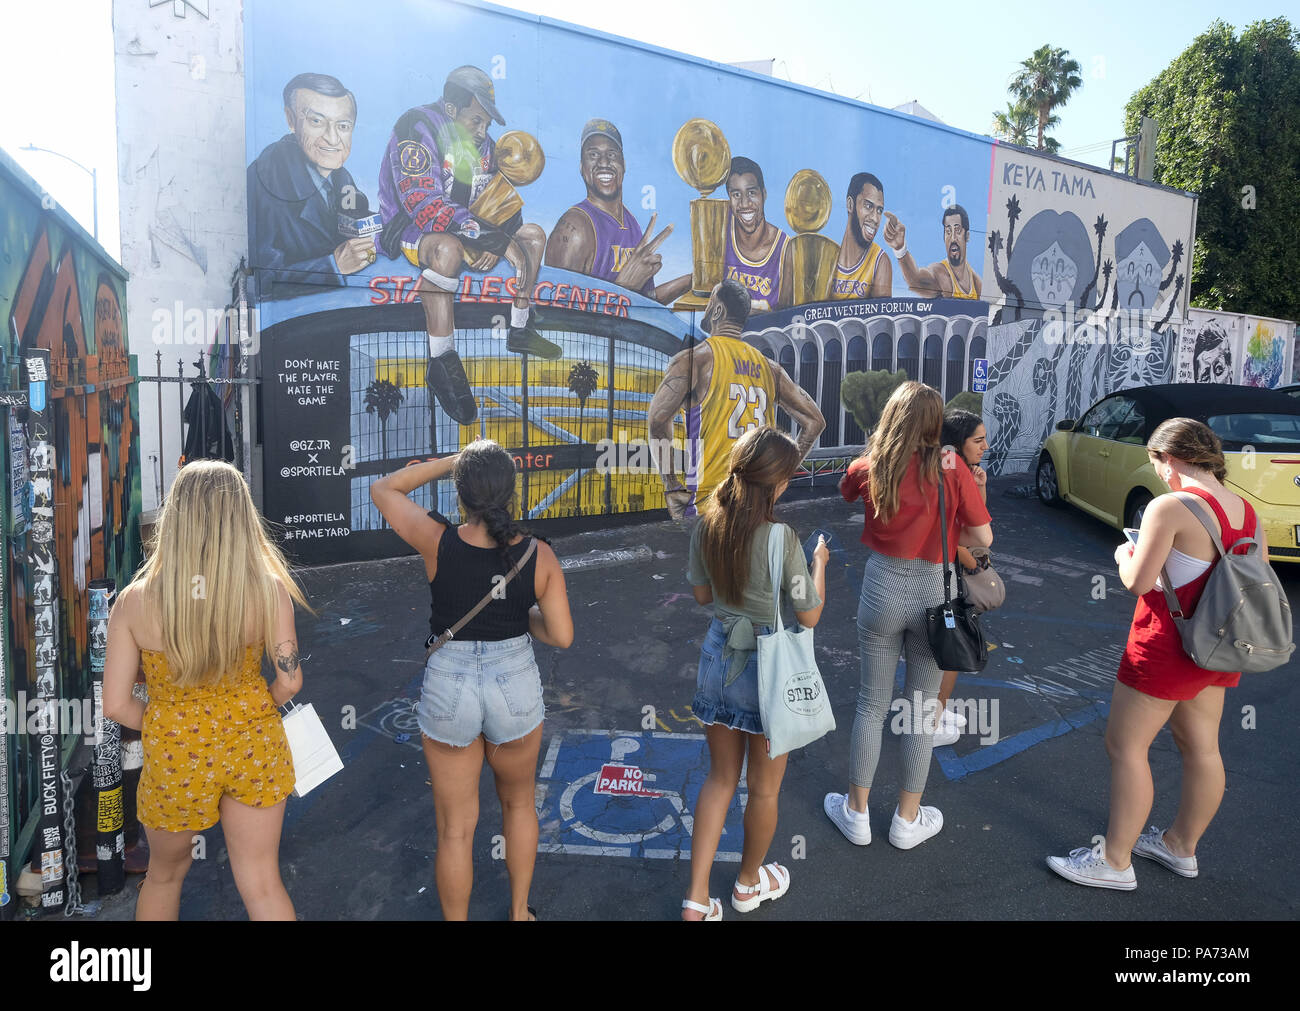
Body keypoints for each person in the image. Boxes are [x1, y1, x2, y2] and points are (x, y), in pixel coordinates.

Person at [1048, 418, 1264, 890]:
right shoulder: (1245, 510)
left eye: (1155, 462)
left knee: (1126, 748)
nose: (1158, 473)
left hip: (1166, 645)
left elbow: (1138, 582)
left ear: (1169, 458)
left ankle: (1115, 860)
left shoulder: (1170, 506)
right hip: (1218, 645)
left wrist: (1124, 557)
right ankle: (1180, 846)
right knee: (1203, 748)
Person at [370, 440, 573, 919]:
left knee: (456, 829)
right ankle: (519, 912)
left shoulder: (435, 540)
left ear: (460, 493)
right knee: (520, 805)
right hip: (515, 685)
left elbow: (383, 489)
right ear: (512, 491)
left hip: (449, 686)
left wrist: (449, 463)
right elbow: (561, 635)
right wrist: (523, 620)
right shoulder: (538, 555)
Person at [103, 461, 309, 920]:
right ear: (241, 517)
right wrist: (255, 707)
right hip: (253, 743)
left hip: (175, 754)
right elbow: (290, 679)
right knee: (261, 881)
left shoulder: (135, 602)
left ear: (176, 517)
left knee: (163, 876)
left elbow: (116, 703)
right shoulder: (267, 590)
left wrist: (166, 723)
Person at [825, 382, 991, 850]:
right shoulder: (952, 465)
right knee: (920, 711)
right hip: (934, 593)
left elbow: (845, 491)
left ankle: (855, 813)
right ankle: (906, 819)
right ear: (937, 422)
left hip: (882, 587)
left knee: (870, 704)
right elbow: (984, 539)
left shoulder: (871, 463)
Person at [681, 426, 828, 920]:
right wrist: (818, 564)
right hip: (767, 667)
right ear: (776, 483)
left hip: (718, 656)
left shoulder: (708, 522)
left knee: (719, 778)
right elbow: (808, 614)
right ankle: (748, 883)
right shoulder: (782, 537)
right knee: (763, 789)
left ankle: (696, 900)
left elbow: (703, 597)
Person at [377, 66, 560, 426]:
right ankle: (442, 362)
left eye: (487, 124)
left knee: (534, 237)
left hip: (473, 229)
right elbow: (424, 206)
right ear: (450, 110)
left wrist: (502, 235)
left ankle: (520, 328)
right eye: (476, 120)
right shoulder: (416, 128)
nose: (482, 131)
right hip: (415, 229)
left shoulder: (485, 147)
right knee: (448, 249)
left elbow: (499, 202)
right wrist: (492, 237)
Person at [646, 279, 825, 519]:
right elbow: (815, 422)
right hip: (758, 505)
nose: (706, 309)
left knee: (710, 557)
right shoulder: (770, 369)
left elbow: (657, 421)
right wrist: (780, 477)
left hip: (710, 505)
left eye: (709, 303)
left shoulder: (695, 360)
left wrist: (671, 486)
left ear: (718, 310)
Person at [247, 72, 375, 299]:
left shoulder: (341, 178)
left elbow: (357, 220)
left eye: (343, 126)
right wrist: (332, 267)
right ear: (290, 120)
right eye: (317, 122)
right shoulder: (263, 179)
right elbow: (261, 280)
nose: (333, 139)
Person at [544, 119, 691, 304]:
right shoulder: (575, 227)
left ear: (624, 164)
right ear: (582, 168)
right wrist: (624, 288)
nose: (604, 162)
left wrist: (691, 281)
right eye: (593, 155)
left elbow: (642, 304)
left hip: (627, 334)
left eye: (612, 154)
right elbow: (559, 316)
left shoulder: (631, 224)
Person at [932, 408, 990, 745]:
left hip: (946, 571)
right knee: (950, 648)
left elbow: (975, 519)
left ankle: (937, 710)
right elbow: (959, 532)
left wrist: (979, 485)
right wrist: (971, 561)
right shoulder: (950, 470)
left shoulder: (958, 468)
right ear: (958, 443)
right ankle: (931, 719)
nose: (985, 446)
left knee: (946, 648)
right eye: (978, 440)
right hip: (944, 574)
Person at [721, 156, 792, 312]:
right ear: (729, 198)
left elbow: (788, 314)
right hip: (723, 335)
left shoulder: (785, 247)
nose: (745, 203)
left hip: (764, 334)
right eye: (736, 195)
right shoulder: (721, 232)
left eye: (751, 192)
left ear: (763, 194)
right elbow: (696, 281)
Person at [883, 204, 982, 300]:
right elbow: (915, 280)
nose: (952, 238)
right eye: (948, 232)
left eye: (958, 230)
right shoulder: (940, 273)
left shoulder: (977, 284)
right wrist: (900, 248)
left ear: (967, 236)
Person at [828, 172, 892, 300]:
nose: (875, 218)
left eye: (879, 211)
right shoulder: (826, 256)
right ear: (850, 205)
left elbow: (880, 319)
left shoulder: (880, 261)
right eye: (868, 206)